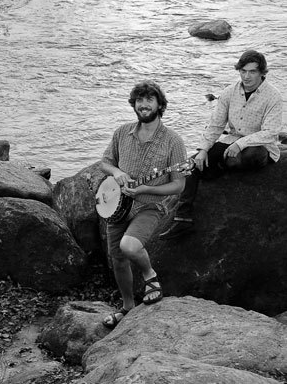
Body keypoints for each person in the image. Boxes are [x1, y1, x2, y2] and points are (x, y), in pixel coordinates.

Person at [159, 50, 283, 240]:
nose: (246, 76)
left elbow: (271, 132)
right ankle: (183, 220)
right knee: (191, 165)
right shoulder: (229, 92)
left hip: (260, 147)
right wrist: (202, 150)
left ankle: (217, 168)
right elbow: (216, 125)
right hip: (231, 142)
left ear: (262, 73)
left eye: (252, 72)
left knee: (247, 157)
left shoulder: (273, 96)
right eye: (243, 71)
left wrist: (241, 144)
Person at [100, 80, 186, 328]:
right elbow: (105, 163)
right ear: (133, 104)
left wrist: (147, 189)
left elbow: (179, 185)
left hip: (150, 206)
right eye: (139, 100)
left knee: (129, 246)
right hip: (117, 205)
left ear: (160, 105)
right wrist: (116, 173)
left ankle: (150, 275)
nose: (143, 105)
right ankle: (128, 307)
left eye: (149, 100)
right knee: (117, 258)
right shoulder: (121, 133)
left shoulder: (173, 141)